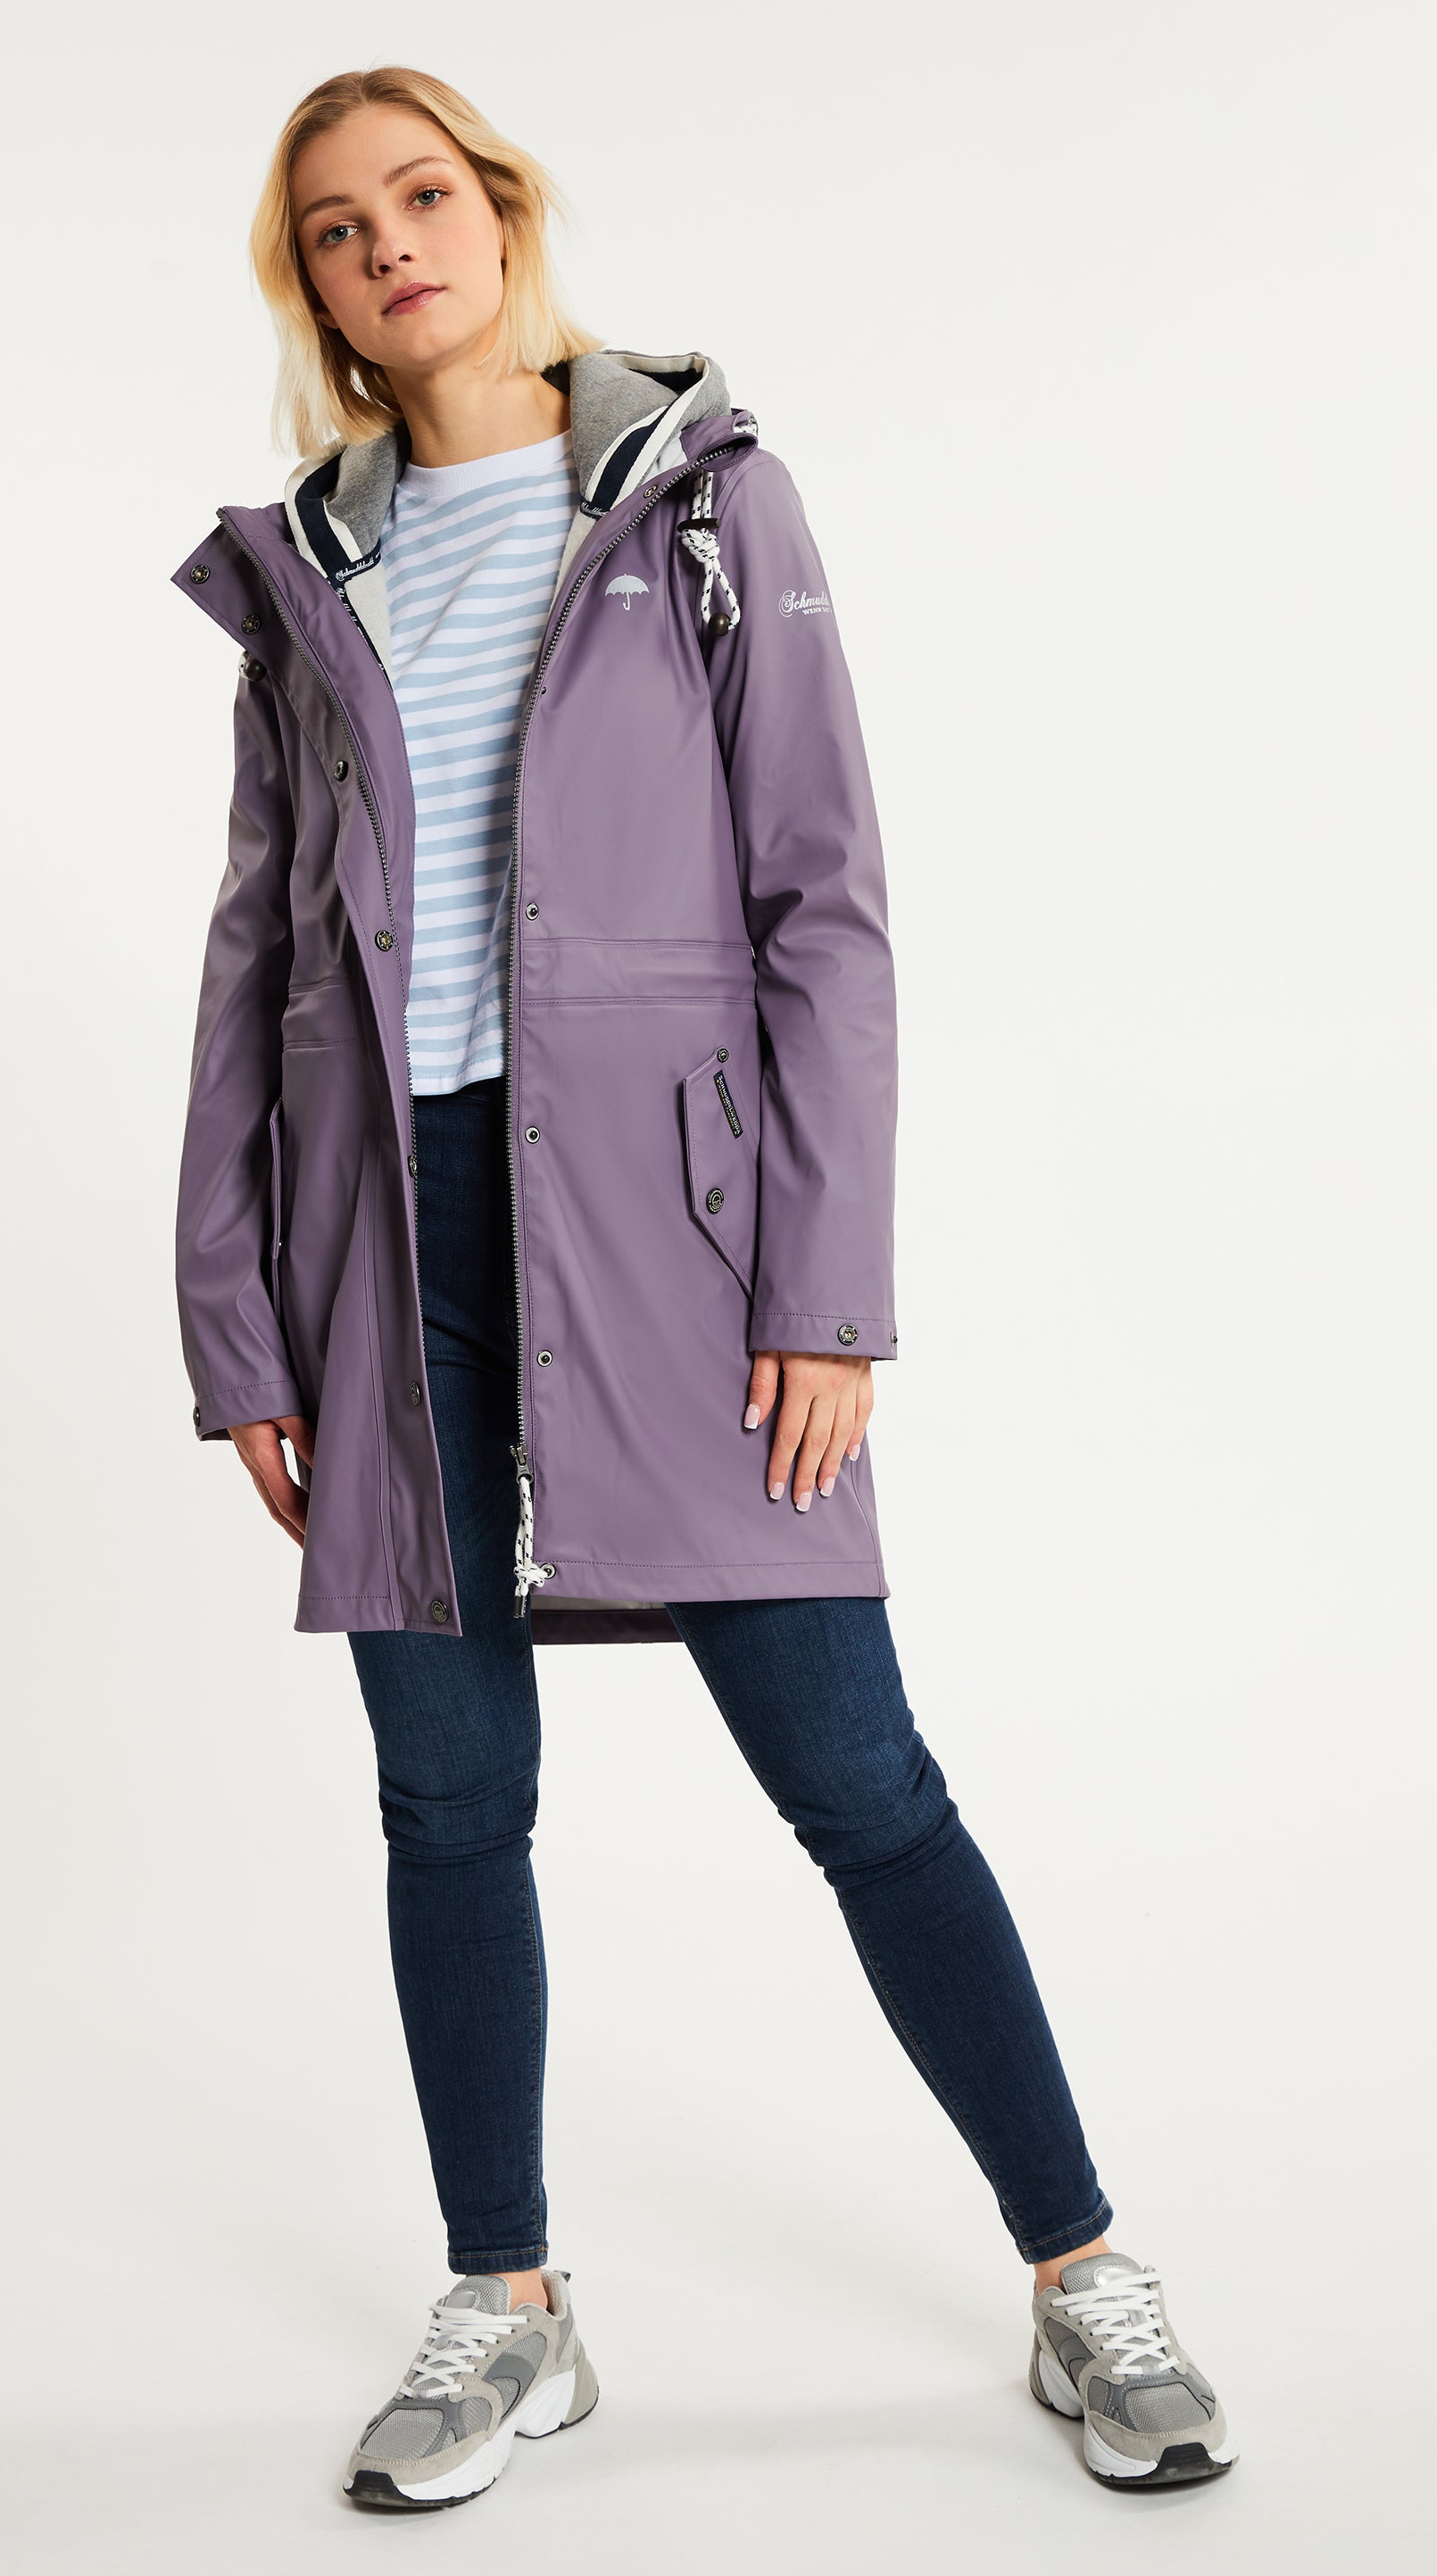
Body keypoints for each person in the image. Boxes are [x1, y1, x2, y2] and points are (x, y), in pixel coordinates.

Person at [170, 63, 1235, 2510]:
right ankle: (508, 2303)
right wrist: (241, 1321)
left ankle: (1083, 2271)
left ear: (502, 205)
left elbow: (823, 908)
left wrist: (826, 1293)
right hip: (386, 1243)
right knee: (449, 1800)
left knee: (859, 1779)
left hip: (677, 1235)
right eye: (335, 228)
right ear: (311, 288)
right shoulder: (304, 576)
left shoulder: (703, 502)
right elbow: (249, 967)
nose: (389, 246)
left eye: (421, 194)